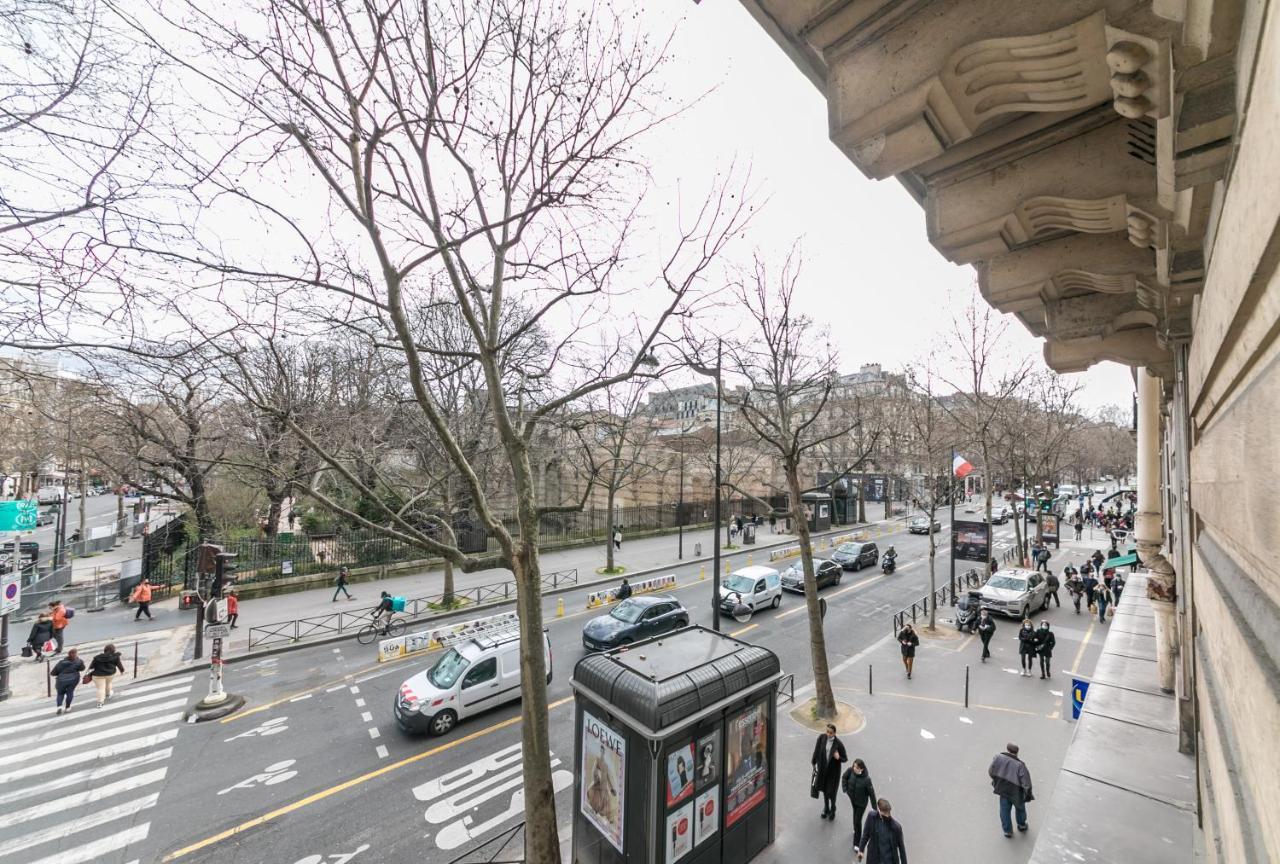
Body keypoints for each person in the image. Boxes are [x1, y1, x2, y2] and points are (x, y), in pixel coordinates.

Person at [989, 743, 1034, 838]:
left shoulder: (998, 757)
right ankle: (1022, 825)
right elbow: (1026, 783)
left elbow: (991, 771)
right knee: (1020, 808)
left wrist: (996, 781)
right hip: (1016, 792)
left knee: (1004, 810)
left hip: (1003, 789)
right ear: (1017, 752)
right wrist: (1028, 794)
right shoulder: (1020, 765)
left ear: (1007, 749)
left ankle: (1007, 831)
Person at [811, 723, 847, 820]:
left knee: (831, 793)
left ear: (834, 733)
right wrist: (814, 762)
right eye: (827, 731)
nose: (828, 734)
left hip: (833, 773)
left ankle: (833, 808)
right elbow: (817, 750)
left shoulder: (838, 744)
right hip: (823, 770)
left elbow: (845, 758)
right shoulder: (821, 738)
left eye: (830, 733)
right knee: (824, 790)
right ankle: (826, 808)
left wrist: (838, 757)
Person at [856, 798, 907, 863]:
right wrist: (861, 849)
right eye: (884, 813)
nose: (887, 815)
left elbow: (902, 849)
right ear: (879, 811)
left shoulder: (896, 828)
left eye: (888, 813)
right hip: (873, 858)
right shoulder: (871, 817)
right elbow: (866, 834)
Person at [842, 758, 876, 848]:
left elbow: (871, 794)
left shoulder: (867, 780)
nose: (854, 768)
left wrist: (874, 807)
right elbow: (844, 777)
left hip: (861, 803)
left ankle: (857, 843)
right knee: (854, 815)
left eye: (856, 767)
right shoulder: (850, 771)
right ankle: (855, 829)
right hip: (853, 800)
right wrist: (845, 789)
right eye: (854, 766)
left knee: (858, 821)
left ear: (861, 769)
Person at [51, 648, 85, 715]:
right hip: (73, 679)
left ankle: (59, 707)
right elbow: (82, 668)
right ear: (76, 654)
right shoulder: (79, 661)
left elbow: (53, 673)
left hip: (61, 680)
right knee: (70, 692)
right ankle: (67, 707)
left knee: (60, 694)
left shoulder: (61, 662)